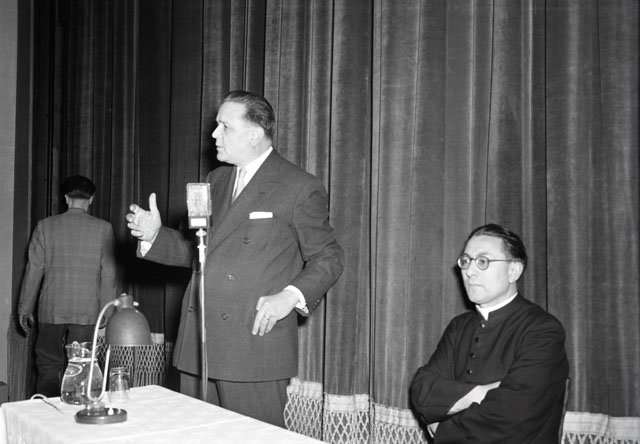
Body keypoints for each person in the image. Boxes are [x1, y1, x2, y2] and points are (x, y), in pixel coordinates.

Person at [126, 90, 344, 427]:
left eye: (225, 127)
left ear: (255, 134)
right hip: (198, 344)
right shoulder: (215, 180)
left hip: (252, 346)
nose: (214, 134)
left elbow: (329, 256)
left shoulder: (299, 186)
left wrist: (290, 296)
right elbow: (198, 252)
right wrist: (154, 235)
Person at [410, 223, 569, 443]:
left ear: (514, 271)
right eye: (466, 261)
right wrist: (480, 392)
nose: (469, 271)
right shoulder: (459, 327)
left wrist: (444, 428)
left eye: (483, 261)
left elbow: (512, 416)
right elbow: (422, 391)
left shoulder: (543, 330)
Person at [17, 175, 117, 397]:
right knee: (81, 366)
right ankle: (77, 412)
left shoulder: (44, 226)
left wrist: (25, 308)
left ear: (65, 198)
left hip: (51, 309)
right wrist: (106, 311)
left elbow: (34, 270)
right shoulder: (104, 228)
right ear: (91, 199)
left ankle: (47, 410)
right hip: (86, 310)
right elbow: (108, 273)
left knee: (47, 365)